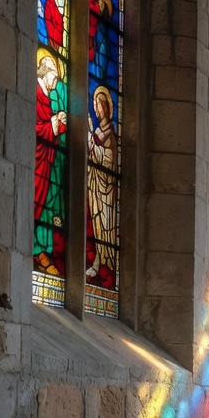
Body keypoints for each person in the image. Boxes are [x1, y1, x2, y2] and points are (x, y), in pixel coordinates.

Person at [34, 52, 68, 275]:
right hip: (37, 162)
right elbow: (35, 130)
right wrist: (54, 123)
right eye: (54, 78)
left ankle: (44, 249)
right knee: (38, 201)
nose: (55, 83)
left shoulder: (46, 97)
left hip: (47, 159)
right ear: (44, 74)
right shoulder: (35, 94)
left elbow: (48, 131)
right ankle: (36, 250)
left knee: (47, 203)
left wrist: (58, 124)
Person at [86, 86, 119, 284]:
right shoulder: (99, 131)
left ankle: (107, 260)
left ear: (106, 108)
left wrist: (92, 140)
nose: (97, 109)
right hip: (95, 185)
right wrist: (92, 135)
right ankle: (99, 259)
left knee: (105, 225)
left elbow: (108, 162)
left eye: (99, 105)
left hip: (106, 189)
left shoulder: (111, 135)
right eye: (95, 105)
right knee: (97, 226)